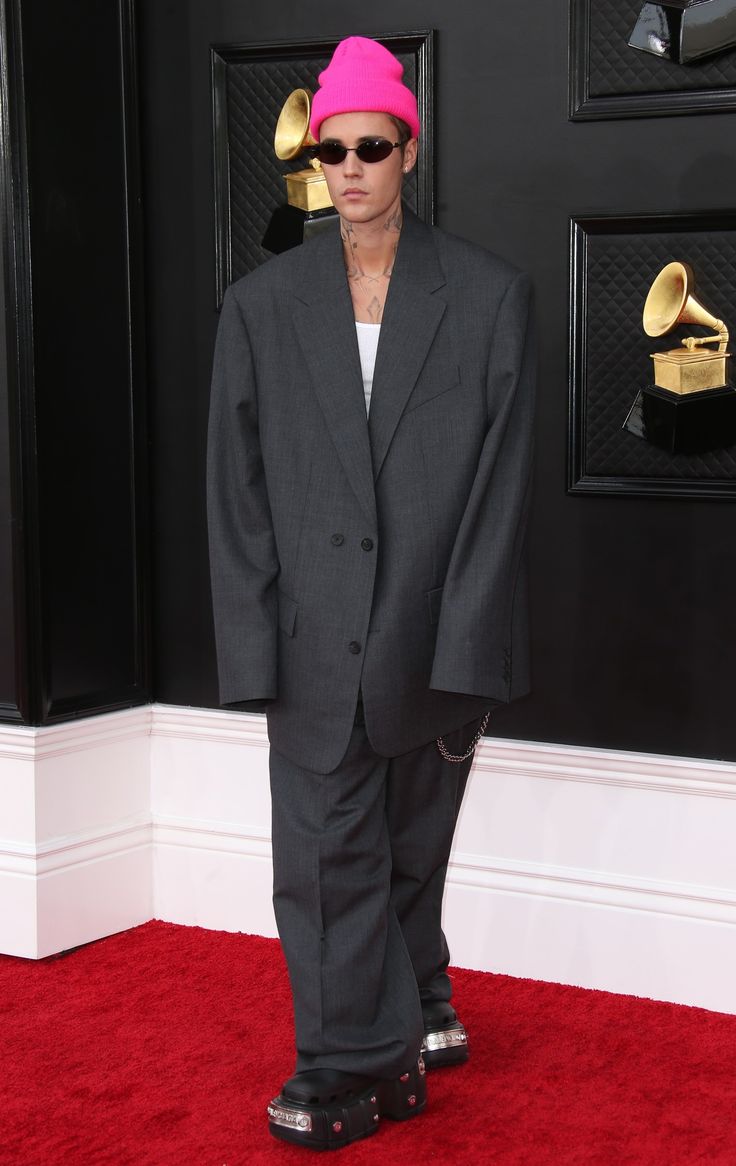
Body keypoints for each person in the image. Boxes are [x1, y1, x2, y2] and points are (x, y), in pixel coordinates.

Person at [207, 35, 535, 1151]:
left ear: (408, 150)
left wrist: (466, 649)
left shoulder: (489, 299)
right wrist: (251, 650)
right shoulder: (257, 309)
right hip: (308, 643)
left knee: (408, 853)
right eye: (329, 149)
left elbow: (498, 497)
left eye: (370, 146)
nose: (348, 168)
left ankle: (425, 1000)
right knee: (320, 866)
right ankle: (352, 1064)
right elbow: (236, 496)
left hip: (430, 640)